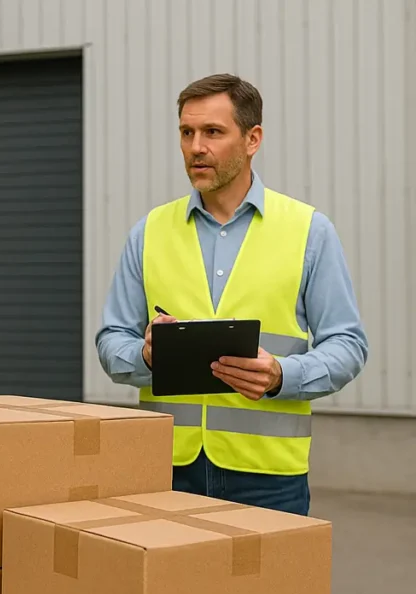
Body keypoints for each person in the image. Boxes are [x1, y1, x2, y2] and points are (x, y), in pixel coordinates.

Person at [95, 73, 368, 516]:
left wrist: (282, 375)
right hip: (166, 469)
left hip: (269, 478)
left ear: (252, 139)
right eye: (187, 132)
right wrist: (144, 356)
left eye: (213, 132)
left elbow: (348, 344)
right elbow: (111, 341)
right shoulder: (148, 232)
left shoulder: (309, 231)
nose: (196, 147)